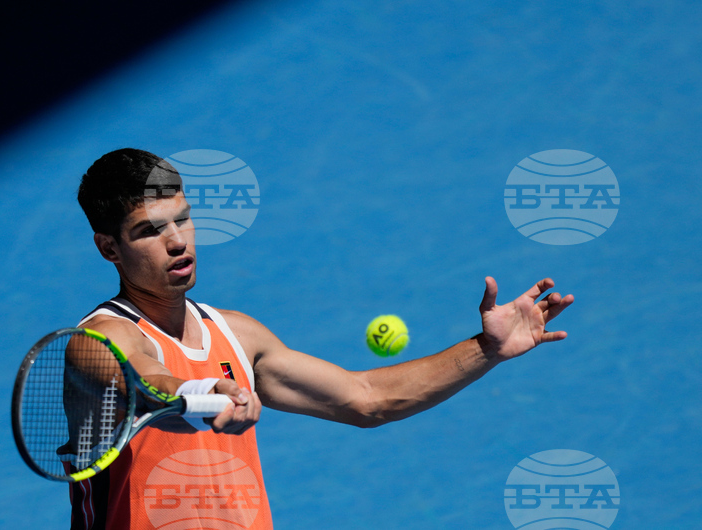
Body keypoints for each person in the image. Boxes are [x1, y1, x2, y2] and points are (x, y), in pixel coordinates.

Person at [72, 148, 574, 530]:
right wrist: (201, 394)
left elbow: (367, 399)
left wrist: (487, 349)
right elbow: (145, 379)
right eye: (150, 231)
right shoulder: (98, 339)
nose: (178, 241)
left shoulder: (236, 335)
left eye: (182, 219)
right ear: (108, 248)